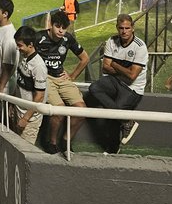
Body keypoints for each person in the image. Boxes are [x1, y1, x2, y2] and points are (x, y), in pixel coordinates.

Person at [84, 14, 148, 153]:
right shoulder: (111, 41)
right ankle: (127, 122)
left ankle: (113, 149)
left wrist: (114, 64)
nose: (124, 31)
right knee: (94, 88)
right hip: (115, 81)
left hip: (133, 89)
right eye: (121, 28)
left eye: (127, 28)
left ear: (132, 28)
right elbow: (105, 68)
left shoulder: (140, 47)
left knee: (114, 111)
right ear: (117, 28)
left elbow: (132, 76)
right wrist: (123, 70)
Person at [34, 9, 89, 154]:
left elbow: (85, 58)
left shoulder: (67, 39)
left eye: (64, 28)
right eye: (58, 26)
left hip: (62, 78)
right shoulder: (38, 37)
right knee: (59, 110)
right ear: (51, 25)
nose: (61, 30)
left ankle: (65, 141)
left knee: (82, 110)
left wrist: (73, 76)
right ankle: (51, 142)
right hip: (46, 78)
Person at [10, 25, 48, 141]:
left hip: (30, 119)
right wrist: (12, 104)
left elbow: (40, 96)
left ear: (30, 45)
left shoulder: (38, 66)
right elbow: (19, 82)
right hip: (18, 110)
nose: (18, 48)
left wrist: (25, 118)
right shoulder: (23, 56)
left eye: (20, 45)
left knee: (24, 150)